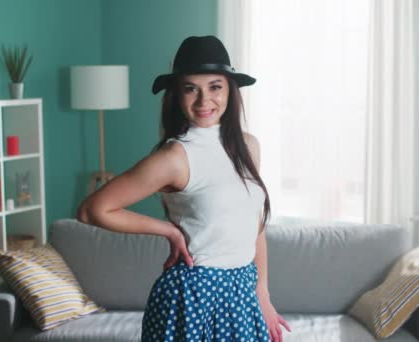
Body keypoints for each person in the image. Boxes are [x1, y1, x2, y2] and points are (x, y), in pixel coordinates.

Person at [77, 35, 291, 341]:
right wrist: (169, 231)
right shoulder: (175, 157)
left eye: (215, 87)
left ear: (230, 89)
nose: (204, 101)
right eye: (191, 89)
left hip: (243, 293)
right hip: (192, 299)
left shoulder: (249, 146)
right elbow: (91, 210)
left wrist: (263, 293)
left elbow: (255, 225)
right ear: (177, 95)